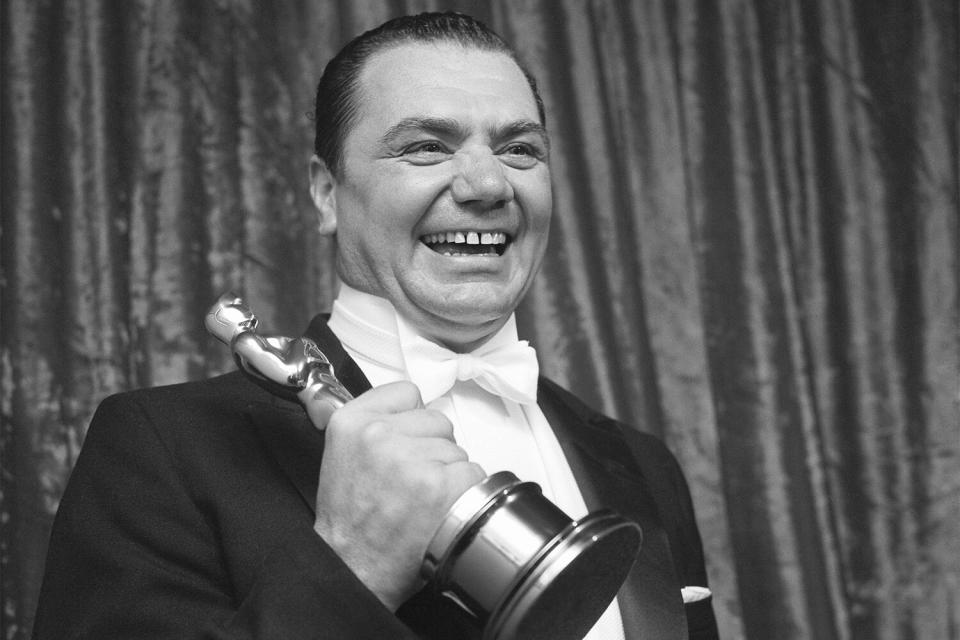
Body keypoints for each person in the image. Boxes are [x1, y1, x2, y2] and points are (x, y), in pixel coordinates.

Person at [32, 12, 719, 640]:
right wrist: (348, 562)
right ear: (327, 193)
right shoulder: (161, 450)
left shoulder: (644, 464)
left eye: (520, 150)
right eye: (425, 147)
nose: (487, 185)